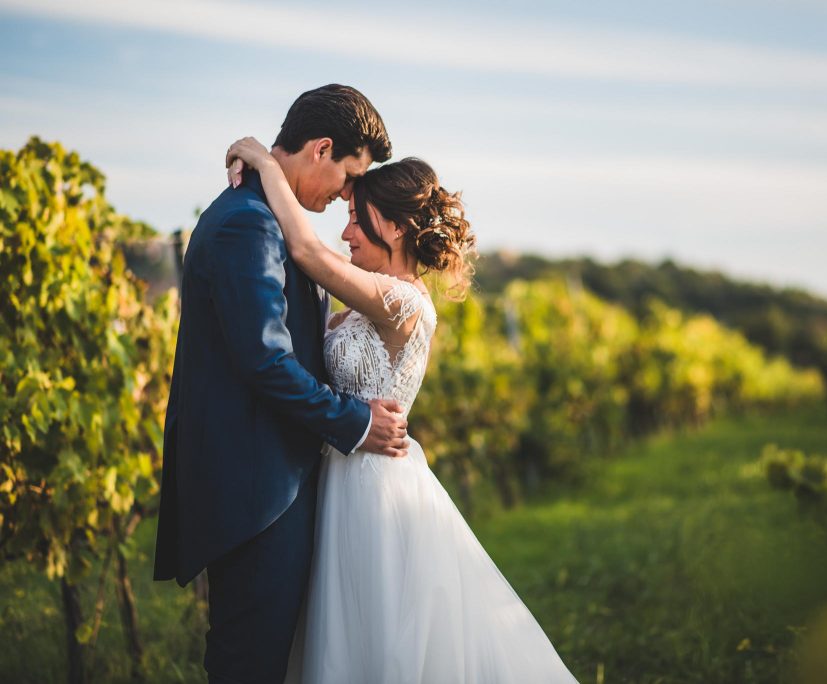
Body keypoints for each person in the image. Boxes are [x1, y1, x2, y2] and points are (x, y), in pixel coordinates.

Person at [225, 136, 579, 683]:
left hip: (375, 489)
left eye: (354, 219)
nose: (343, 233)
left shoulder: (406, 302)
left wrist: (266, 162)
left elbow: (305, 251)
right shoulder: (366, 298)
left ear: (392, 227)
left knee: (381, 634)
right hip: (337, 473)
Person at [153, 85, 410, 684]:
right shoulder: (249, 224)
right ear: (321, 149)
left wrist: (265, 161)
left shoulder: (261, 212)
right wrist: (358, 421)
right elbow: (267, 363)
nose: (348, 194)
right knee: (251, 662)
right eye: (349, 176)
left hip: (268, 483)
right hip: (256, 493)